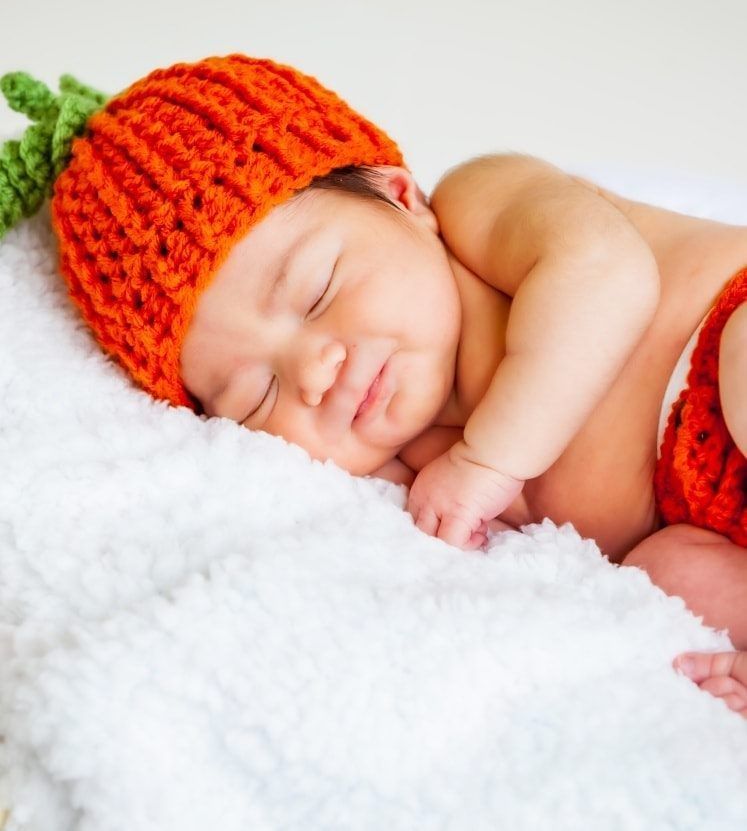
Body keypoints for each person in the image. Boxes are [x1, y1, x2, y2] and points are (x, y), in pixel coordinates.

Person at [1, 54, 745, 717]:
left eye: (319, 290)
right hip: (700, 515)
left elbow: (606, 277)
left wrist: (489, 462)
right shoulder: (401, 468)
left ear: (398, 197)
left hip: (716, 338)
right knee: (668, 576)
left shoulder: (478, 204)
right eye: (256, 395)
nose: (314, 372)